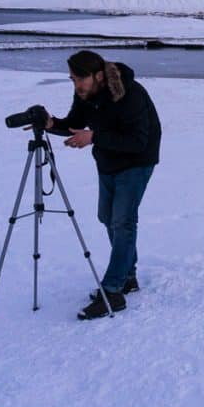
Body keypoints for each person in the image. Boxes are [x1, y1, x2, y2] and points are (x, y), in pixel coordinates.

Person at [46, 50, 162, 320]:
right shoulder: (86, 94)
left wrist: (94, 137)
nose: (76, 86)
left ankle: (112, 292)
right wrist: (50, 124)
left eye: (80, 80)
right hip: (108, 161)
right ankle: (127, 276)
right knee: (107, 217)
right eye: (72, 80)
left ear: (98, 76)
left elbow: (138, 141)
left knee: (122, 222)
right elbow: (75, 124)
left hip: (137, 160)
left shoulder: (130, 94)